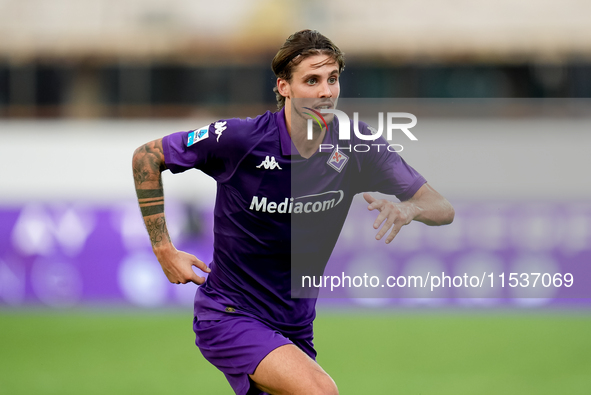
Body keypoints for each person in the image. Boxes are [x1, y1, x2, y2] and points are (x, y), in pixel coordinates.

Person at [132, 29, 454, 395]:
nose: (325, 92)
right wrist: (163, 248)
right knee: (321, 391)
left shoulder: (357, 145)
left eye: (332, 79)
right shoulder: (240, 140)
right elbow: (147, 156)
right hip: (230, 315)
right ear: (284, 87)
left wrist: (409, 208)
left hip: (295, 326)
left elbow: (441, 208)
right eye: (312, 80)